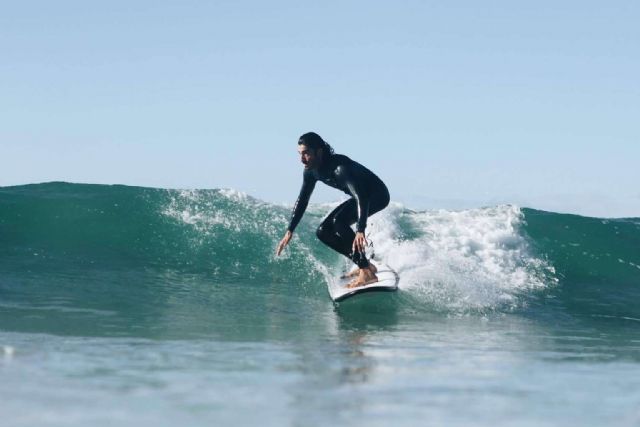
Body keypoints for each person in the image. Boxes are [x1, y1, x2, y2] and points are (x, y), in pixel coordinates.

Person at [275, 132, 390, 288]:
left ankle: (366, 272)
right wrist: (290, 230)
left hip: (377, 195)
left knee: (339, 222)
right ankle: (366, 265)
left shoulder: (340, 168)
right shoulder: (310, 171)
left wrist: (360, 229)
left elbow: (361, 196)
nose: (302, 159)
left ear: (319, 152)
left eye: (306, 153)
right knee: (323, 231)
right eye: (300, 154)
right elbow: (303, 199)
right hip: (359, 197)